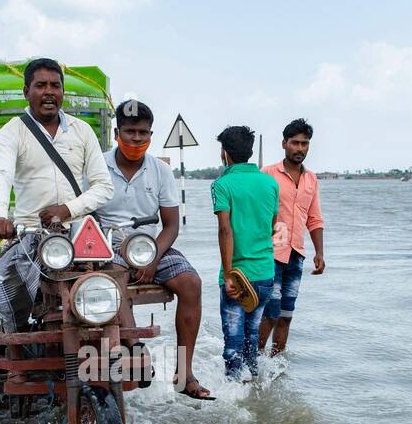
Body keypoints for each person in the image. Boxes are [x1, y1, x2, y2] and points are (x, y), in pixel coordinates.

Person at [0, 57, 113, 336]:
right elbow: (1, 176)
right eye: (40, 85)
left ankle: (118, 348)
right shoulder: (11, 132)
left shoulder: (82, 131)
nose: (49, 92)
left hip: (79, 233)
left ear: (63, 92)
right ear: (26, 91)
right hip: (32, 236)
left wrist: (67, 209)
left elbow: (104, 186)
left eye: (56, 85)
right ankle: (15, 338)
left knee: (115, 287)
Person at [97, 99, 210, 399]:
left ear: (150, 135)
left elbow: (171, 225)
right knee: (114, 275)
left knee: (191, 283)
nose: (136, 139)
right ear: (117, 131)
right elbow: (86, 218)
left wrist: (153, 258)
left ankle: (184, 374)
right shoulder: (97, 166)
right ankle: (135, 350)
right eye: (130, 131)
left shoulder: (160, 170)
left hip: (149, 247)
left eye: (143, 133)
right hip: (109, 246)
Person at [212, 125, 278, 382]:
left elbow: (225, 231)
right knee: (252, 337)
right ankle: (254, 388)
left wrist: (229, 274)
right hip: (264, 274)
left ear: (224, 153)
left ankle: (234, 398)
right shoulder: (270, 183)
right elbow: (272, 226)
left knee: (233, 342)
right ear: (250, 152)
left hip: (237, 276)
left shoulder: (222, 184)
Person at [260, 118, 325, 355]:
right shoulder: (267, 174)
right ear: (284, 144)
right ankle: (254, 366)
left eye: (304, 144)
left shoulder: (311, 179)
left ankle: (277, 368)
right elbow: (255, 216)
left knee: (286, 315)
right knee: (270, 313)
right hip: (270, 255)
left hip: (296, 255)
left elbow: (314, 218)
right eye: (295, 143)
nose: (300, 148)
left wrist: (319, 253)